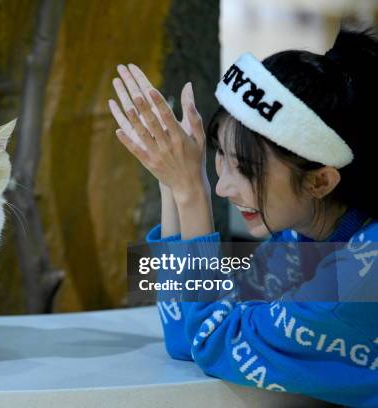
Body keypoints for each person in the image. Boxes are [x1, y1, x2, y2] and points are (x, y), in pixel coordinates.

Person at [108, 26, 378, 407]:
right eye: (219, 155)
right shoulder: (304, 235)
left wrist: (192, 194)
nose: (222, 187)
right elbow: (187, 336)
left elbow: (212, 341)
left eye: (246, 170)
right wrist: (171, 181)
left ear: (320, 181)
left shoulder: (356, 281)